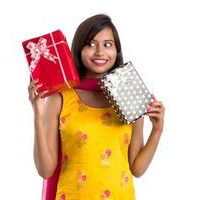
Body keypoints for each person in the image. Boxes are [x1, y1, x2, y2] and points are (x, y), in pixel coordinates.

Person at [28, 14, 165, 200]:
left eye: (108, 44)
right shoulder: (61, 98)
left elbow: (137, 168)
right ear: (78, 49)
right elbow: (45, 170)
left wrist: (157, 129)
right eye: (91, 44)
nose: (100, 52)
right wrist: (38, 114)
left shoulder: (130, 95)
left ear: (116, 51)